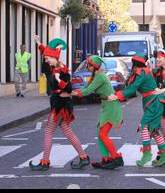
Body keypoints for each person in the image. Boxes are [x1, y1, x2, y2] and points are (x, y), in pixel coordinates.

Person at [29, 35, 90, 171]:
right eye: (45, 58)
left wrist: (58, 80)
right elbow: (46, 51)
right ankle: (83, 157)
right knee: (67, 131)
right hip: (60, 104)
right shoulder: (54, 66)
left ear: (55, 58)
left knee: (49, 131)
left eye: (48, 59)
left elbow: (68, 88)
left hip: (61, 105)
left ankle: (45, 162)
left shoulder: (61, 70)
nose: (46, 60)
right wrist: (39, 43)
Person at [109, 53, 165, 167]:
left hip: (154, 102)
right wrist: (118, 95)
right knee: (152, 129)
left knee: (144, 127)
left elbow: (132, 88)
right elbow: (131, 88)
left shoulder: (142, 72)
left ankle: (147, 154)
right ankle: (164, 154)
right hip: (152, 102)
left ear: (135, 63)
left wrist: (117, 96)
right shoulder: (142, 71)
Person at [72, 55, 124, 170]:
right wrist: (73, 91)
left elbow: (88, 91)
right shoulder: (96, 75)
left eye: (89, 65)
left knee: (102, 134)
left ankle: (117, 158)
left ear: (93, 66)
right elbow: (85, 87)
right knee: (100, 133)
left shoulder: (100, 76)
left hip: (111, 107)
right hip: (106, 106)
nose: (87, 66)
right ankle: (106, 159)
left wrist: (74, 94)